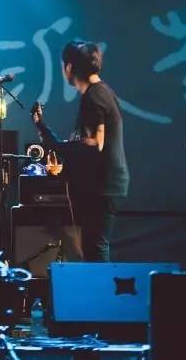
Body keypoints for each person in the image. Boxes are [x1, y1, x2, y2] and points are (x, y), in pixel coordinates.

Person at [31, 41, 128, 262]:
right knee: (94, 246)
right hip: (103, 184)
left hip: (100, 186)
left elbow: (95, 143)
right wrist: (45, 132)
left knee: (95, 248)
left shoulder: (94, 97)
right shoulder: (102, 93)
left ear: (69, 67)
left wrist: (57, 145)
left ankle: (101, 286)